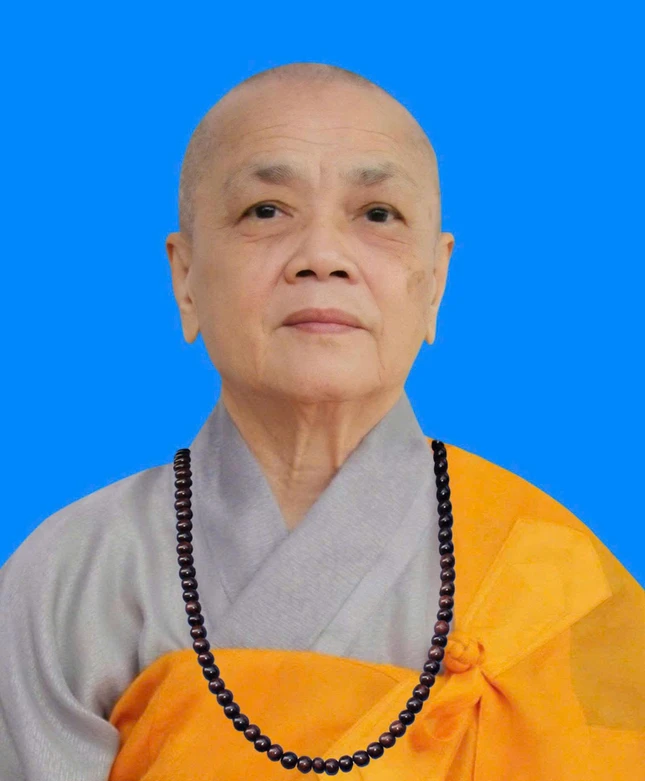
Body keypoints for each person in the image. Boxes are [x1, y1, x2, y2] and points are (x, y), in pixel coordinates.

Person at [0, 62, 643, 781]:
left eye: (377, 215)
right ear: (185, 277)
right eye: (265, 211)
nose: (322, 257)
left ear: (435, 282)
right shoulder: (69, 576)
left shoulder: (550, 580)